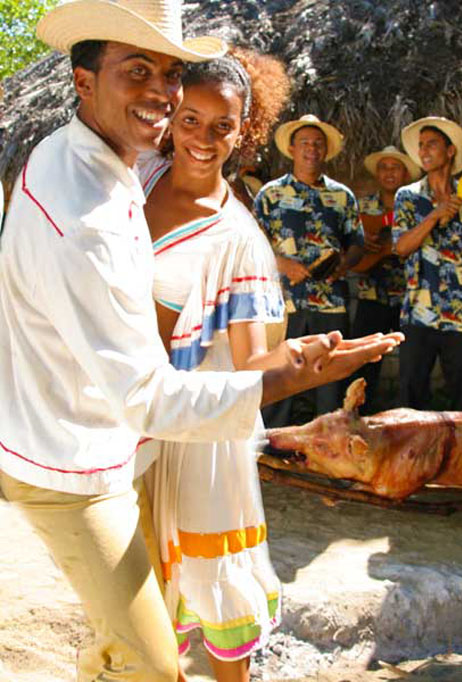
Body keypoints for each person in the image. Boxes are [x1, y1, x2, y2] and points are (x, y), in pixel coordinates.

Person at [0, 3, 402, 680]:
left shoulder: (142, 180)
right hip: (84, 449)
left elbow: (249, 350)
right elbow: (143, 389)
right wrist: (289, 381)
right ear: (83, 82)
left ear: (246, 134)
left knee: (165, 612)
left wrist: (293, 363)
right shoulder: (112, 192)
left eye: (169, 73)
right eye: (138, 72)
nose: (165, 97)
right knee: (153, 660)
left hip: (158, 435)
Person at [138, 48, 291, 682]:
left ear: (243, 131)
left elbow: (255, 358)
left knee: (209, 580)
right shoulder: (136, 179)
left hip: (199, 433)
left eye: (222, 126)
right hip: (133, 414)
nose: (203, 138)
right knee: (140, 587)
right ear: (171, 115)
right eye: (191, 119)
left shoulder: (238, 239)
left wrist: (311, 360)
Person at [255, 114, 365, 426]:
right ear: (291, 149)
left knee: (329, 381)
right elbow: (253, 244)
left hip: (330, 301)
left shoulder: (342, 196)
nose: (311, 149)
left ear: (325, 150)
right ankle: (271, 449)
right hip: (283, 303)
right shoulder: (270, 195)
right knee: (278, 379)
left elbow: (356, 242)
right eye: (304, 143)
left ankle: (327, 452)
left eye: (318, 144)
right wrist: (283, 264)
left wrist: (345, 264)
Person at [393, 116, 462, 411]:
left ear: (450, 151)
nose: (424, 151)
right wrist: (433, 216)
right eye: (421, 146)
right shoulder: (409, 197)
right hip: (418, 314)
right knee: (411, 398)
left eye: (432, 145)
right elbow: (401, 248)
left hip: (461, 314)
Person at [350, 145, 420, 413]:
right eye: (383, 167)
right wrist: (361, 243)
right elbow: (347, 245)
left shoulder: (416, 206)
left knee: (412, 365)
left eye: (395, 167)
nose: (389, 173)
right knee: (364, 361)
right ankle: (358, 415)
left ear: (405, 173)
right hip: (372, 295)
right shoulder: (363, 207)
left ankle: (407, 418)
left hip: (409, 297)